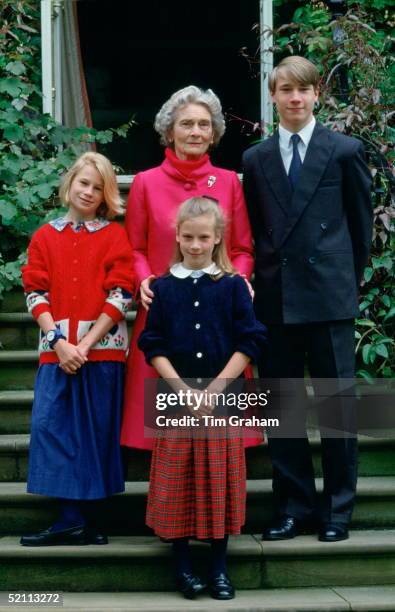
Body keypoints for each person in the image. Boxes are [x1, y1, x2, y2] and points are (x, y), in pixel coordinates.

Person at [242, 56, 373, 543]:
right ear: (273, 96)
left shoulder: (344, 150)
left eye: (303, 90)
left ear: (318, 94)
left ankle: (337, 512)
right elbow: (256, 231)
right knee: (282, 410)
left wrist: (344, 286)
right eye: (285, 90)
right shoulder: (255, 159)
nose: (294, 98)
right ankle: (294, 508)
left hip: (329, 301)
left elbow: (360, 231)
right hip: (275, 300)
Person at [138, 197, 266, 599]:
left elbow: (251, 339)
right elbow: (152, 342)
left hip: (223, 395)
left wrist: (214, 388)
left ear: (217, 239)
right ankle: (182, 567)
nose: (195, 245)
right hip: (175, 396)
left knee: (218, 482)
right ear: (177, 235)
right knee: (177, 481)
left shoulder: (231, 287)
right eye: (188, 237)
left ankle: (219, 568)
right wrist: (181, 390)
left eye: (203, 238)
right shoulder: (163, 287)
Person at [120, 85, 256, 451]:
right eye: (186, 124)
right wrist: (142, 277)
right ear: (170, 131)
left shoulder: (228, 181)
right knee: (166, 429)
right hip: (164, 306)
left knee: (219, 426)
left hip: (217, 309)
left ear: (213, 134)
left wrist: (238, 278)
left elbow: (243, 247)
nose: (195, 131)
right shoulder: (146, 183)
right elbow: (133, 246)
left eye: (203, 124)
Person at [20, 152, 134, 546]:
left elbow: (122, 292)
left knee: (94, 431)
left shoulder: (114, 235)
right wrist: (58, 341)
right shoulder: (44, 236)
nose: (89, 191)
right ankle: (69, 518)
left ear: (106, 196)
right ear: (70, 184)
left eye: (98, 186)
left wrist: (83, 345)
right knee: (49, 426)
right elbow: (35, 289)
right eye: (84, 182)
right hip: (56, 352)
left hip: (101, 354)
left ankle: (85, 520)